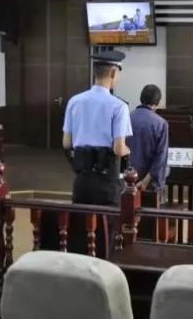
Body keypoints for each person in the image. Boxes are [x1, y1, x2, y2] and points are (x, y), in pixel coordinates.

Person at [62, 50, 132, 259]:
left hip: (82, 179)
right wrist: (128, 150)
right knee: (106, 231)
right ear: (113, 73)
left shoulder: (74, 101)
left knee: (80, 229)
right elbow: (119, 149)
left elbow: (66, 143)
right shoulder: (119, 106)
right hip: (107, 180)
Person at [127, 84, 169, 193]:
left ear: (141, 98)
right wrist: (145, 181)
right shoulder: (161, 123)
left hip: (127, 180)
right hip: (149, 185)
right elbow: (161, 157)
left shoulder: (127, 118)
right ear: (157, 103)